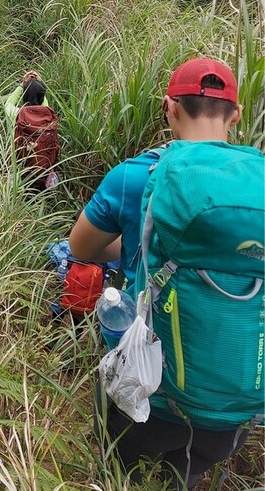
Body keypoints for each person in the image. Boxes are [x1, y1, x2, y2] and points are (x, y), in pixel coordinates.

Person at [69, 57, 255, 490]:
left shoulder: (134, 177)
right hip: (236, 412)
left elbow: (81, 248)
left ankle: (124, 476)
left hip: (144, 400)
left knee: (122, 463)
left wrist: (135, 249)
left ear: (169, 108)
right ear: (237, 114)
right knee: (187, 469)